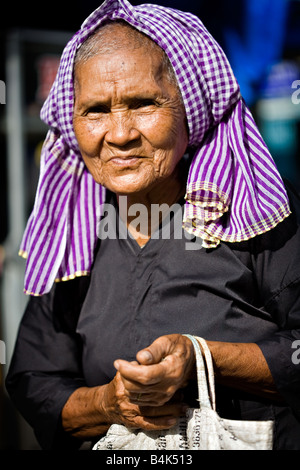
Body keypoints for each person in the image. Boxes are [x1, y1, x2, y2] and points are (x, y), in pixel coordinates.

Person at [5, 0, 300, 450]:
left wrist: (203, 359)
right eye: (96, 111)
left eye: (144, 104)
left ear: (192, 107)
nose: (119, 133)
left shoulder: (260, 211)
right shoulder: (75, 228)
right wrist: (107, 404)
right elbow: (33, 377)